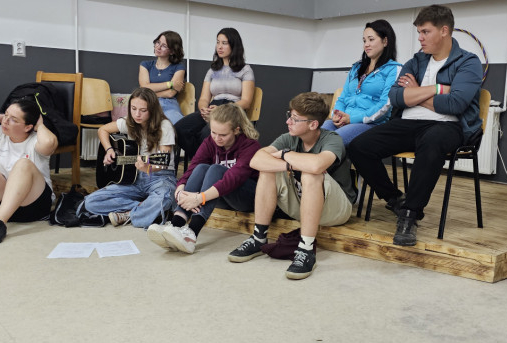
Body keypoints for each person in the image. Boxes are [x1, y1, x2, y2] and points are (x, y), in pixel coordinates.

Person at [347, 4, 483, 247]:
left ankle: (410, 215)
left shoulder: (468, 62)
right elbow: (396, 97)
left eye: (425, 32)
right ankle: (395, 200)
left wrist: (416, 92)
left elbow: (455, 104)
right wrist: (438, 89)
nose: (420, 38)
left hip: (448, 126)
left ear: (444, 31)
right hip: (408, 123)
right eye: (419, 32)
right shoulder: (416, 61)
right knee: (359, 146)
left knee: (432, 143)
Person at [228, 92, 357, 280]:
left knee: (311, 174)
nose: (288, 121)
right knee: (267, 169)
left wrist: (285, 155)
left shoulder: (332, 139)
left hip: (337, 210)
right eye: (289, 115)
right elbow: (256, 160)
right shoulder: (289, 137)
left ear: (313, 124)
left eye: (295, 119)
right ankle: (258, 238)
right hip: (303, 204)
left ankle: (306, 250)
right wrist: (290, 165)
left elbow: (317, 165)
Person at [147, 103, 260, 253]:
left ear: (236, 130)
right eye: (213, 132)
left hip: (247, 198)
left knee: (215, 169)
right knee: (201, 168)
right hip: (220, 196)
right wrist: (180, 189)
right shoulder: (210, 142)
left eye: (223, 135)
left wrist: (200, 198)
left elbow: (233, 179)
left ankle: (192, 233)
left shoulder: (250, 146)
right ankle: (176, 225)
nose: (217, 138)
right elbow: (193, 166)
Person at [0, 98, 58, 246]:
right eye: (6, 115)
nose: (6, 122)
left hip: (32, 206)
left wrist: (39, 125)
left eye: (13, 120)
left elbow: (49, 143)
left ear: (28, 127)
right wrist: (4, 117)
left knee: (23, 164)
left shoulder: (36, 141)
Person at [79, 87, 176, 228]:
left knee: (164, 197)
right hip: (133, 178)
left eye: (143, 110)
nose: (137, 114)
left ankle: (128, 214)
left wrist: (147, 168)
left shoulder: (164, 126)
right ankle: (143, 209)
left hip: (160, 177)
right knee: (90, 202)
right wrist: (109, 150)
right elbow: (102, 130)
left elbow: (162, 162)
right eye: (133, 109)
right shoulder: (129, 122)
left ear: (152, 110)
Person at [173, 28, 255, 158]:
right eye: (218, 42)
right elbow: (204, 99)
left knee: (208, 133)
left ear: (234, 46)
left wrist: (222, 110)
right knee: (179, 129)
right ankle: (201, 160)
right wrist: (204, 110)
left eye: (224, 43)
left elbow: (246, 102)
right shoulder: (212, 70)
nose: (219, 47)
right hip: (213, 107)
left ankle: (205, 161)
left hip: (233, 109)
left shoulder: (245, 70)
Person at [321, 19, 402, 145]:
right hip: (345, 119)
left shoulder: (394, 69)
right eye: (364, 41)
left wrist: (352, 119)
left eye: (371, 39)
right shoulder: (356, 68)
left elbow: (384, 105)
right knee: (314, 136)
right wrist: (336, 114)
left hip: (370, 123)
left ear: (385, 41)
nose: (366, 44)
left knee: (333, 141)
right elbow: (343, 97)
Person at [139, 30, 187, 125]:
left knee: (178, 125)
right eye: (158, 42)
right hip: (147, 104)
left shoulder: (179, 67)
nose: (158, 47)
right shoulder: (145, 65)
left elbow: (170, 93)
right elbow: (144, 87)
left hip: (169, 105)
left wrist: (150, 92)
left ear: (172, 51)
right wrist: (170, 84)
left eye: (164, 46)